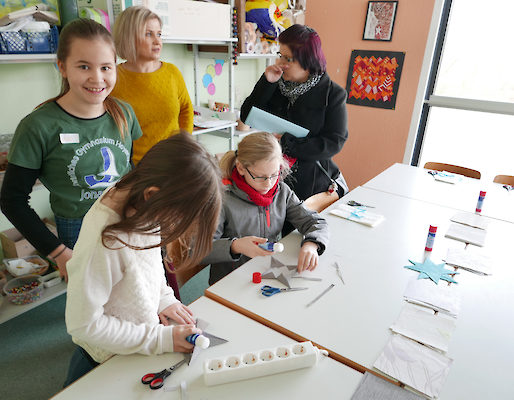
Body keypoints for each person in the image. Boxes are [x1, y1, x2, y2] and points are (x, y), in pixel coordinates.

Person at [64, 133, 223, 385]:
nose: (174, 228)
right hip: (104, 361)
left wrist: (163, 299)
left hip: (137, 345)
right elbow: (83, 324)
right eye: (179, 220)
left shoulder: (145, 202)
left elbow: (148, 263)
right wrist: (161, 339)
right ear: (153, 195)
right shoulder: (107, 240)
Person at [0, 19, 142, 280]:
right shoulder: (38, 126)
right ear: (62, 67)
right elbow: (12, 200)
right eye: (84, 66)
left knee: (132, 288)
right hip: (77, 227)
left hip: (124, 217)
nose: (97, 78)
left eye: (106, 67)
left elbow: (129, 169)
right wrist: (58, 252)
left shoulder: (124, 113)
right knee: (91, 305)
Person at [202, 132, 329, 285]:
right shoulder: (222, 199)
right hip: (230, 282)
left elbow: (316, 221)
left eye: (275, 174)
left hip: (266, 273)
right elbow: (198, 251)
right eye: (261, 177)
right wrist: (235, 246)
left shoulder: (281, 191)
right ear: (241, 168)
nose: (269, 184)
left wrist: (312, 244)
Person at [240, 24, 349, 202]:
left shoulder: (333, 94)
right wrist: (266, 83)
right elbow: (246, 116)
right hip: (270, 176)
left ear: (308, 61)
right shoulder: (276, 83)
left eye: (288, 59)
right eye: (280, 55)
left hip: (310, 183)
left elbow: (334, 142)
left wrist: (287, 143)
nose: (281, 63)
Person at [111, 5, 194, 166]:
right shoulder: (113, 78)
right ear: (129, 37)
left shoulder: (172, 72)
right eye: (148, 34)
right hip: (135, 167)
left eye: (159, 34)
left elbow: (186, 110)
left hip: (174, 160)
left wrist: (184, 146)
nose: (157, 41)